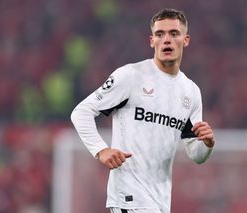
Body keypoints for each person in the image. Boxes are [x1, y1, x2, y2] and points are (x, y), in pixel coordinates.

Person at [71, 8, 215, 213]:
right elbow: (81, 112)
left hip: (160, 201)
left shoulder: (191, 91)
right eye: (160, 34)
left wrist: (207, 143)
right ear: (151, 41)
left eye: (174, 33)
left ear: (186, 40)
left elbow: (196, 154)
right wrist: (101, 150)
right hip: (129, 197)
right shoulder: (131, 76)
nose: (166, 40)